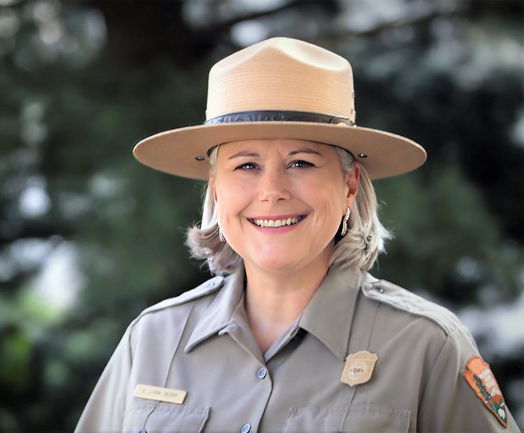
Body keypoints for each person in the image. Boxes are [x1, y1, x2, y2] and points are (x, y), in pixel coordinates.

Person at [74, 37, 520, 432]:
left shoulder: (425, 346)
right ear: (216, 189)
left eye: (301, 163)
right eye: (245, 166)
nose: (272, 192)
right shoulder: (152, 340)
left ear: (348, 185)